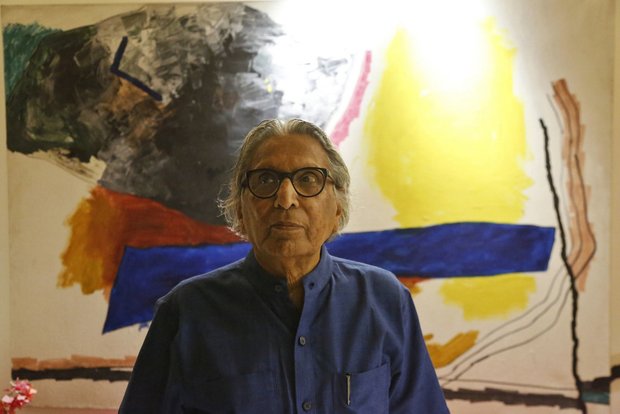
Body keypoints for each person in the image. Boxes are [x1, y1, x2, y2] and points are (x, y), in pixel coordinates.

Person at [119, 119, 449, 413]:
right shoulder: (186, 311)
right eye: (266, 180)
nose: (286, 198)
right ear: (240, 208)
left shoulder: (384, 300)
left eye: (308, 179)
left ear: (337, 207)